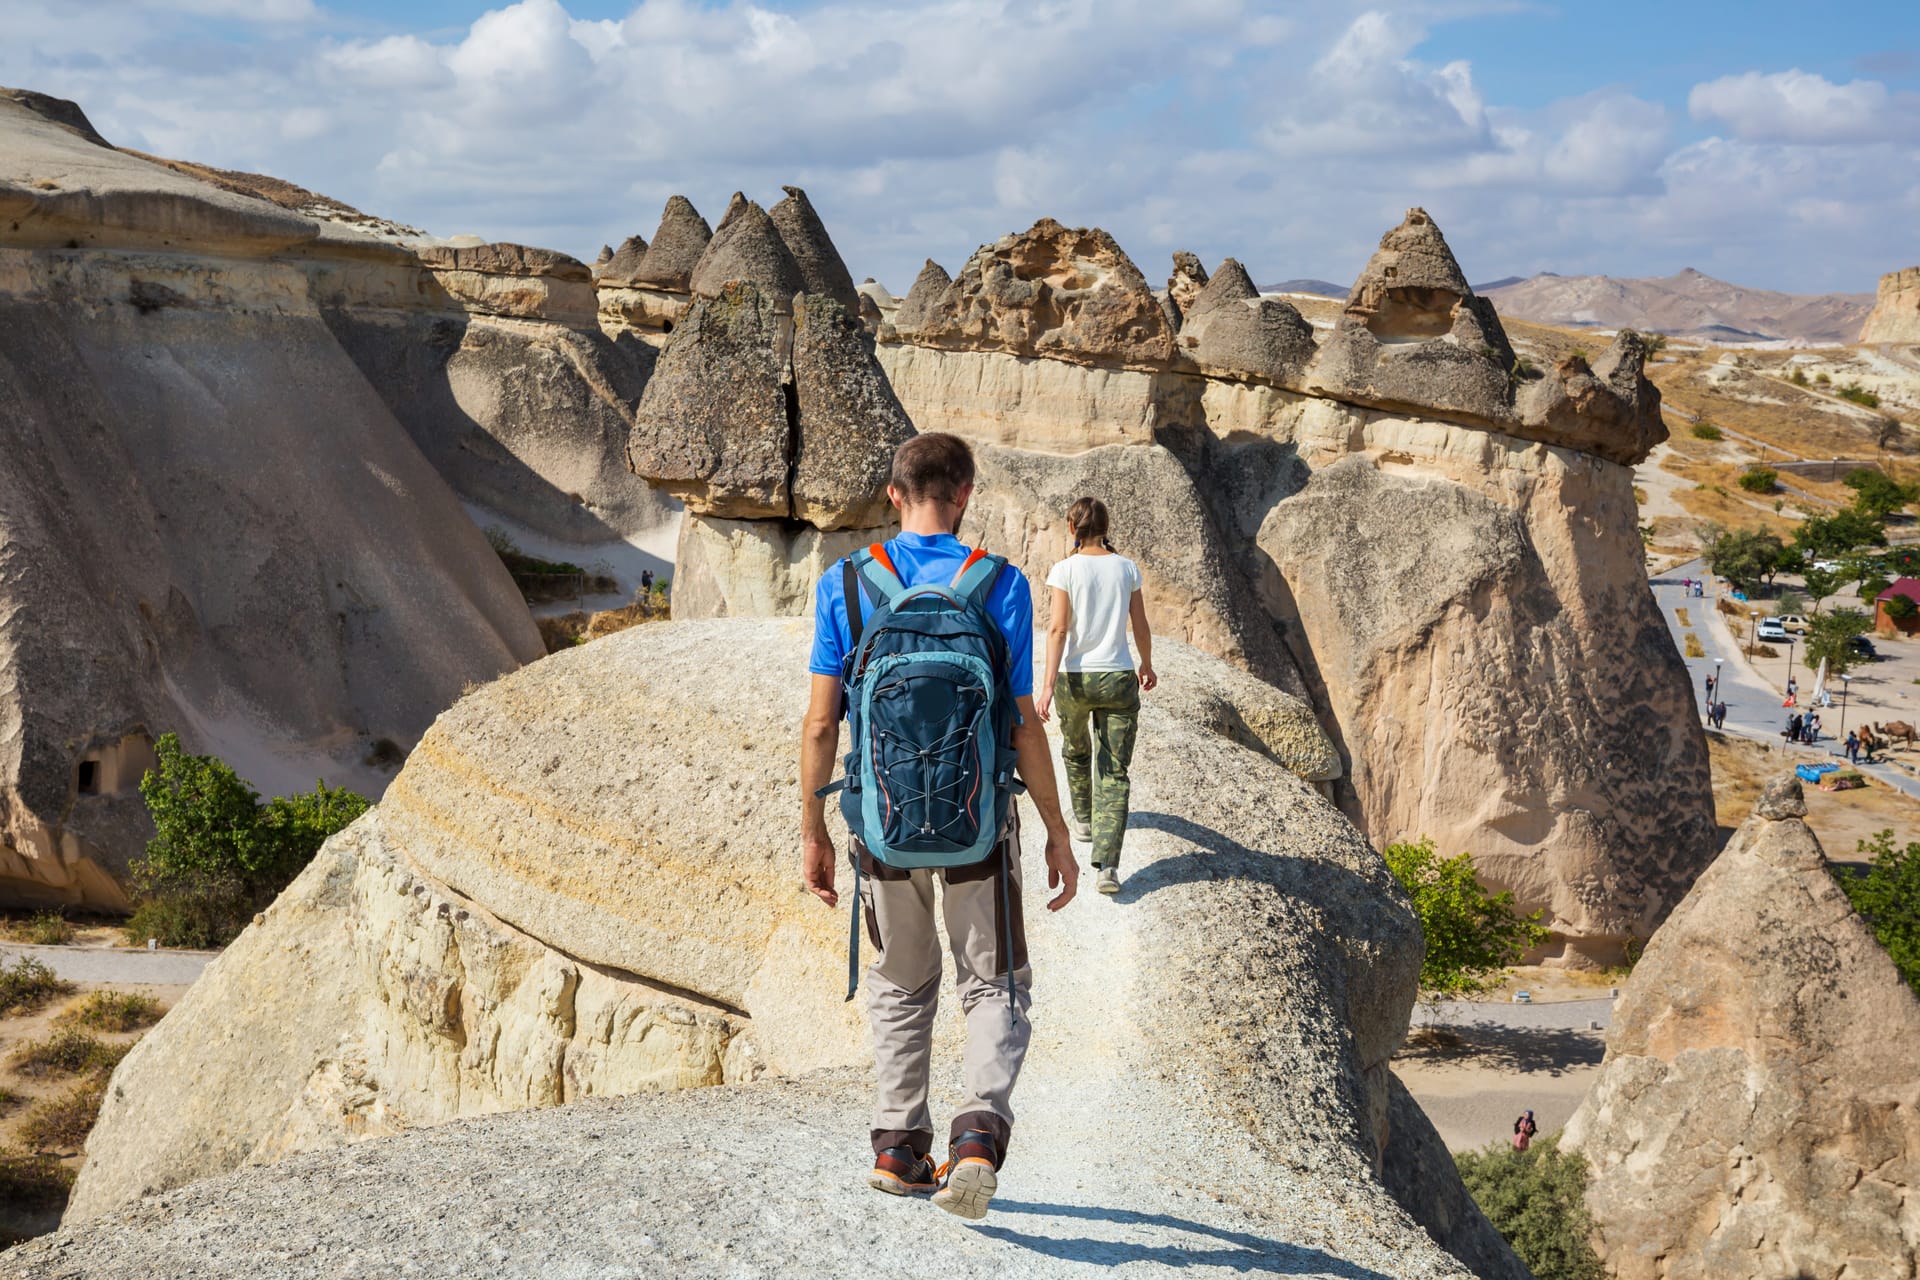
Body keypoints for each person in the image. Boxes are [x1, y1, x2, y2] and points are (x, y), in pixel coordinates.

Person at [800, 432, 1077, 1220]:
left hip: (881, 826)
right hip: (978, 825)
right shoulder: (1000, 584)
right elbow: (1023, 723)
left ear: (894, 494)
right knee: (993, 982)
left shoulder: (847, 585)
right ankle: (977, 1140)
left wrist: (813, 829)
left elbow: (820, 724)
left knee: (899, 981)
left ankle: (898, 1148)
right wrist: (1057, 830)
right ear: (965, 494)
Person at [1035, 498, 1158, 897]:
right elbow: (1140, 624)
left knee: (1075, 750)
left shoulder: (1065, 569)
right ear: (1106, 528)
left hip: (1075, 679)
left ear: (1072, 528)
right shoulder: (1127, 568)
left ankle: (1085, 819)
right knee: (1114, 771)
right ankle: (1108, 866)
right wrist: (1146, 664)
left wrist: (1047, 685)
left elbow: (1058, 630)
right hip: (1118, 677)